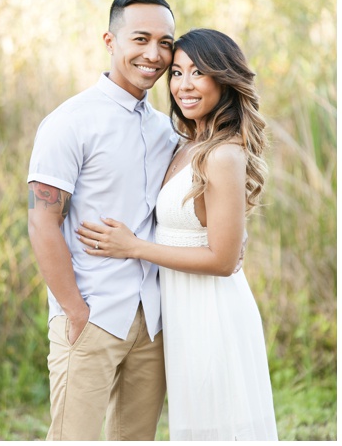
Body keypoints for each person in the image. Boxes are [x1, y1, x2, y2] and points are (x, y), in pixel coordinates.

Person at [76, 29, 278, 440]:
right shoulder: (186, 143)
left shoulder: (222, 154)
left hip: (213, 313)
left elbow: (222, 261)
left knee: (219, 425)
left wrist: (134, 247)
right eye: (178, 72)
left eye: (198, 73)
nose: (183, 85)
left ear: (223, 80)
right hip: (181, 311)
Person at [27, 0, 178, 440]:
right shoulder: (70, 121)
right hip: (91, 312)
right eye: (141, 39)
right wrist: (73, 308)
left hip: (151, 319)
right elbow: (41, 220)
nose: (154, 54)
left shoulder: (165, 128)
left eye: (166, 43)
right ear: (111, 42)